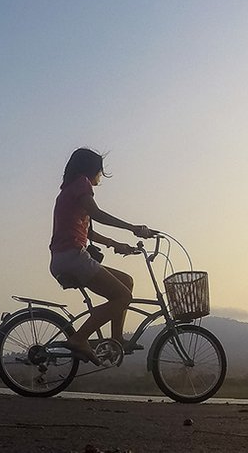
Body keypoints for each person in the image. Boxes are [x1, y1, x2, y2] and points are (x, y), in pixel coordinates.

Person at [49, 148, 155, 365]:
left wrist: (117, 244)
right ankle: (79, 338)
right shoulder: (81, 184)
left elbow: (89, 233)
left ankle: (117, 340)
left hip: (64, 257)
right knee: (124, 297)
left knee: (126, 281)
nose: (100, 176)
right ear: (92, 170)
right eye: (100, 171)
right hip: (72, 257)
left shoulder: (69, 190)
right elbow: (97, 214)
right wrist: (132, 228)